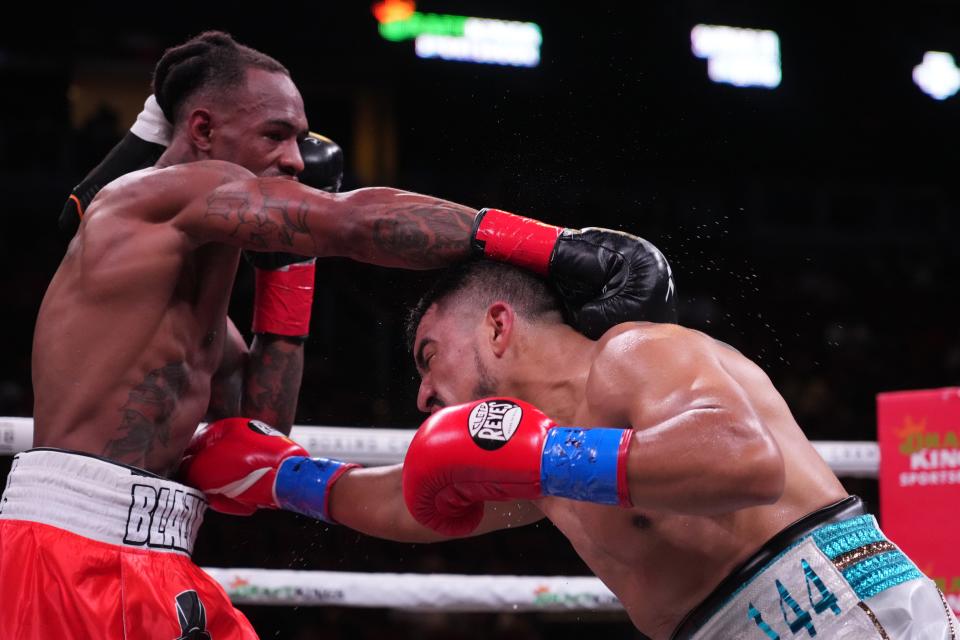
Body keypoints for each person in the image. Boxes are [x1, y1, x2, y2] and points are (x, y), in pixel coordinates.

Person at [0, 30, 674, 638]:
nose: (297, 159)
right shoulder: (148, 197)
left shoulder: (193, 319)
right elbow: (352, 224)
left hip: (154, 558)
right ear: (202, 129)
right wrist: (556, 247)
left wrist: (290, 263)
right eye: (275, 135)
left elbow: (259, 438)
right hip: (68, 550)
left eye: (300, 138)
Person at [184, 259, 958, 640]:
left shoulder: (635, 355)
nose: (422, 397)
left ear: (497, 325)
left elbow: (743, 460)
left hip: (835, 610)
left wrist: (547, 458)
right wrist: (285, 477)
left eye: (428, 357)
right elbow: (411, 499)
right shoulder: (544, 464)